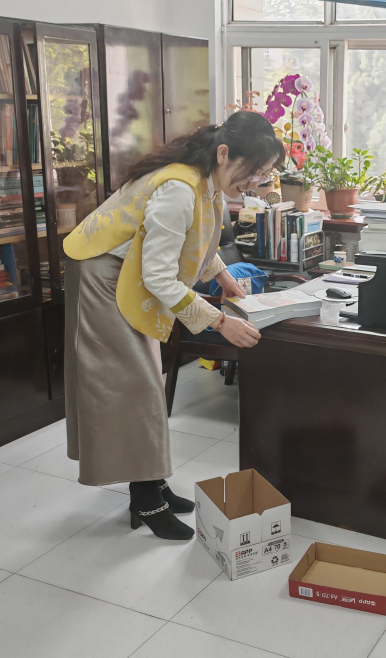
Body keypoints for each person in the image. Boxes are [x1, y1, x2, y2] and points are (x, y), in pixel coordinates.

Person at [63, 111, 284, 540]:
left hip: (130, 273)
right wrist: (219, 321)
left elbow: (194, 238)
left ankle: (153, 485)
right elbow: (160, 277)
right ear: (224, 153)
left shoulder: (207, 183)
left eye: (263, 174)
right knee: (136, 387)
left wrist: (223, 276)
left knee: (144, 381)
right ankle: (148, 499)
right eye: (253, 171)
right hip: (103, 276)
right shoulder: (179, 189)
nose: (255, 182)